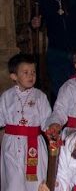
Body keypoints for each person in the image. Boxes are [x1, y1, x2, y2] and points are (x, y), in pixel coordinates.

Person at [0, 53, 51, 191]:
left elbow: (47, 120)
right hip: (11, 146)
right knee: (13, 182)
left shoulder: (40, 96)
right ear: (14, 76)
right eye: (26, 72)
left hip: (34, 144)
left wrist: (52, 130)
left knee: (36, 182)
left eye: (33, 72)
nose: (31, 76)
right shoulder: (6, 96)